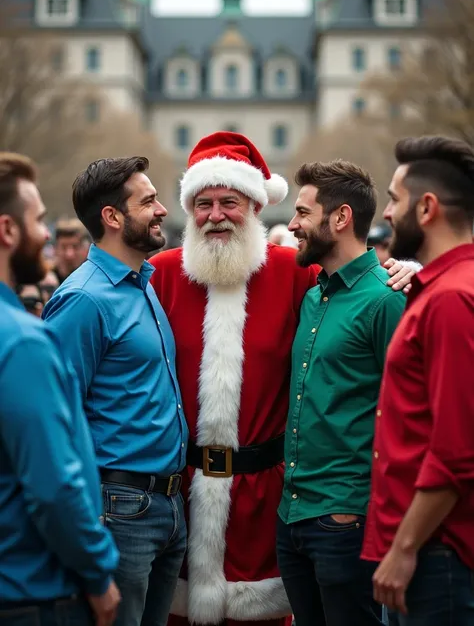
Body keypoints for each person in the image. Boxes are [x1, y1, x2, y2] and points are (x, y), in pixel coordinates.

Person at [148, 131, 416, 626]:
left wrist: (408, 273)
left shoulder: (296, 274)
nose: (215, 214)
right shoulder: (161, 274)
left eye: (229, 201)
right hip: (181, 499)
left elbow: (355, 285)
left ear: (253, 206)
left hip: (273, 500)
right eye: (202, 203)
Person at [43, 157, 188, 626]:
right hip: (120, 513)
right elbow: (55, 420)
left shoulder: (141, 284)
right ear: (112, 217)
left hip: (167, 508)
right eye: (148, 201)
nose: (163, 209)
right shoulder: (84, 300)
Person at [275, 161, 406, 626]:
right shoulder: (314, 296)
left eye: (302, 212)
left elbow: (409, 416)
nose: (292, 225)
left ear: (340, 218)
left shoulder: (387, 298)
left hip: (345, 523)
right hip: (292, 517)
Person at [0, 152, 119, 625]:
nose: (46, 235)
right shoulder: (22, 342)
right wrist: (98, 575)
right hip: (35, 593)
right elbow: (54, 487)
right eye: (38, 221)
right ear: (8, 231)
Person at [362, 136, 474, 626]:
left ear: (426, 208)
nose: (386, 213)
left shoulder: (452, 298)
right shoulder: (437, 290)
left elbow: (456, 450)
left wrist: (404, 549)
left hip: (437, 554)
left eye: (394, 199)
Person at [52, 217, 90, 283]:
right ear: (55, 250)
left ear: (87, 249)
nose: (69, 254)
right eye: (64, 247)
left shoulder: (96, 279)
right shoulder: (44, 281)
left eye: (75, 247)